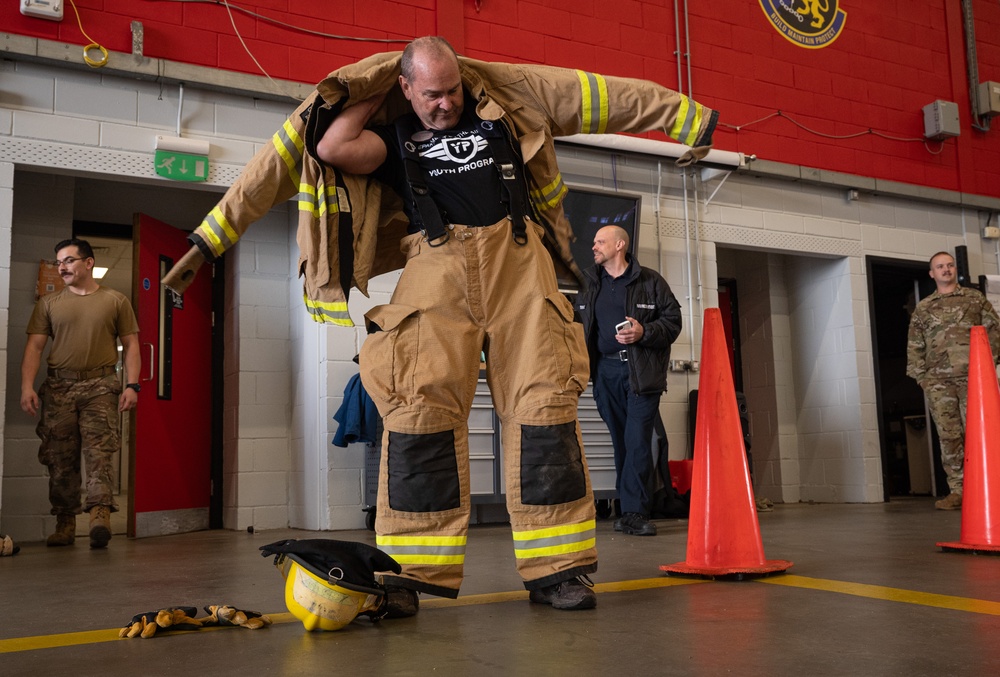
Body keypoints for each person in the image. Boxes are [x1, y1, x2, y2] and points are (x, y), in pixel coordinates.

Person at [161, 36, 718, 615]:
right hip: (435, 267)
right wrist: (369, 89)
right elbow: (325, 145)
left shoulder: (508, 98)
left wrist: (687, 119)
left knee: (544, 408)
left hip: (519, 263)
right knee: (419, 414)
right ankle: (411, 576)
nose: (445, 103)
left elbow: (601, 95)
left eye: (452, 89)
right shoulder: (390, 137)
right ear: (405, 87)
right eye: (430, 94)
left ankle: (560, 572)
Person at [20, 238, 141, 548]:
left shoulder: (115, 301)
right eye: (59, 261)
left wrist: (132, 384)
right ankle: (65, 522)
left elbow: (131, 345)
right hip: (59, 387)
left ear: (88, 263)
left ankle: (100, 513)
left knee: (99, 452)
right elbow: (34, 346)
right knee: (60, 459)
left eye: (69, 260)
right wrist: (26, 387)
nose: (62, 266)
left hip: (101, 385)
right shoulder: (48, 304)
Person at [574, 226, 681, 536]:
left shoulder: (649, 281)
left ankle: (634, 511)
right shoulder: (589, 282)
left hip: (640, 373)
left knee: (636, 441)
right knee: (622, 442)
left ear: (619, 245)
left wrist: (644, 332)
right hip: (604, 374)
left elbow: (673, 321)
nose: (593, 246)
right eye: (593, 241)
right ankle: (627, 509)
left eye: (600, 242)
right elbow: (574, 323)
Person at [906, 251, 1000, 510]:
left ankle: (987, 488)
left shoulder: (974, 298)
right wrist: (922, 379)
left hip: (975, 379)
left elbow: (994, 331)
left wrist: (988, 369)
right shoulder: (924, 308)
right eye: (940, 267)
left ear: (954, 269)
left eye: (949, 265)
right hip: (939, 383)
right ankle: (958, 490)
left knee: (980, 433)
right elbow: (915, 346)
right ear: (932, 273)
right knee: (949, 437)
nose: (945, 270)